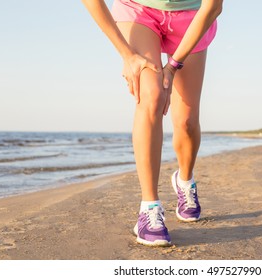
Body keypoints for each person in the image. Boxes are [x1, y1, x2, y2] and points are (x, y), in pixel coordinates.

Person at [81, 0, 223, 246]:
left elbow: (213, 7)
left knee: (187, 120)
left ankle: (185, 180)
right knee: (152, 95)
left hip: (191, 15)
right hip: (139, 10)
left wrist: (173, 66)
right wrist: (127, 55)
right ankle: (149, 208)